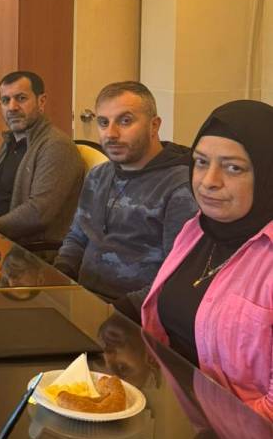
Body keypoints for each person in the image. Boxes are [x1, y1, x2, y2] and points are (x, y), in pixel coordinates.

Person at [142, 100, 273, 419]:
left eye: (233, 168)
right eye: (201, 162)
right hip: (172, 410)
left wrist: (205, 430)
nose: (209, 181)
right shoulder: (198, 229)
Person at [54, 82, 194, 301]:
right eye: (103, 122)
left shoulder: (180, 186)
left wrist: (120, 311)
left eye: (125, 121)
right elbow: (78, 236)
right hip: (83, 299)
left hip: (133, 313)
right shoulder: (98, 175)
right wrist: (59, 277)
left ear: (154, 126)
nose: (111, 133)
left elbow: (176, 276)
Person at [0, 70, 83, 245]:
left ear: (41, 101)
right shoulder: (10, 140)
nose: (12, 107)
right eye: (5, 100)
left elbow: (37, 213)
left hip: (19, 247)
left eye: (21, 98)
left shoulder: (56, 146)